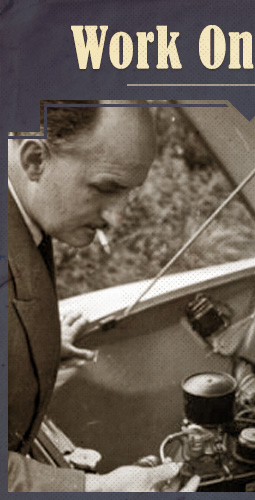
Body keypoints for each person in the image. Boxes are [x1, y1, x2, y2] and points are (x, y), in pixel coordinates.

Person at [8, 100, 199, 492]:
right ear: (34, 160)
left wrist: (29, 350)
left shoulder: (29, 212)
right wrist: (96, 489)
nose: (116, 217)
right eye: (106, 187)